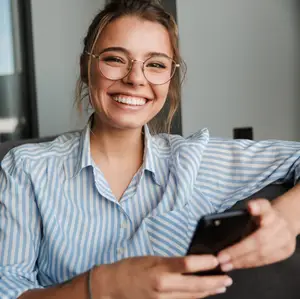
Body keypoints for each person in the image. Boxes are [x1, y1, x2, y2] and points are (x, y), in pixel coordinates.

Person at [0, 0, 300, 298]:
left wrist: (286, 220)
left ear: (170, 79)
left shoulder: (194, 161)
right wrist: (101, 286)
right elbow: (8, 290)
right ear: (86, 66)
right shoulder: (26, 168)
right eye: (115, 59)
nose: (135, 78)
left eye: (155, 64)